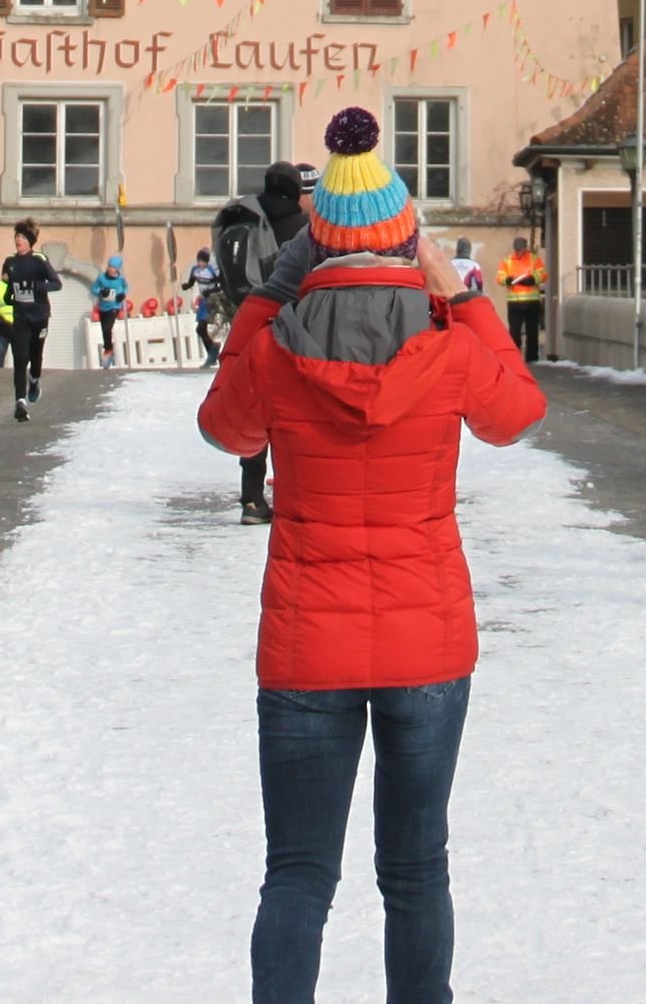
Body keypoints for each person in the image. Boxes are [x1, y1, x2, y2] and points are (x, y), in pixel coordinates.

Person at [200, 109, 544, 1004]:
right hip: (426, 639)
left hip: (307, 645)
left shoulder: (275, 348)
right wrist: (466, 297)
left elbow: (220, 426)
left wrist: (269, 297)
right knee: (417, 869)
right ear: (405, 241)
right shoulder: (450, 341)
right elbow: (519, 413)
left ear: (314, 250)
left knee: (299, 875)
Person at [213, 161, 311, 520]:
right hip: (294, 327)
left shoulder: (244, 219)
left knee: (255, 406)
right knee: (294, 413)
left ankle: (251, 498)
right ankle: (291, 493)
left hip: (250, 319)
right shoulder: (303, 228)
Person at [0, 220, 66, 419]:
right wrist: (8, 294)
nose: (19, 240)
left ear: (30, 241)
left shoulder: (39, 260)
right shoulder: (10, 262)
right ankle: (20, 401)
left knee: (35, 357)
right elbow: (9, 288)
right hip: (21, 316)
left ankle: (34, 379)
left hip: (40, 316)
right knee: (20, 358)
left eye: (23, 237)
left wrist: (37, 287)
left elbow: (56, 284)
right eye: (17, 237)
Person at [495, 237, 547, 362]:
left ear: (525, 248)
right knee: (514, 334)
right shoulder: (507, 261)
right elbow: (499, 277)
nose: (519, 252)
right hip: (515, 303)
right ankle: (515, 359)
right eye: (517, 250)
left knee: (532, 333)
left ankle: (532, 359)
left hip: (531, 302)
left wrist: (532, 279)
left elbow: (543, 274)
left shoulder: (534, 259)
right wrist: (507, 279)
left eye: (521, 250)